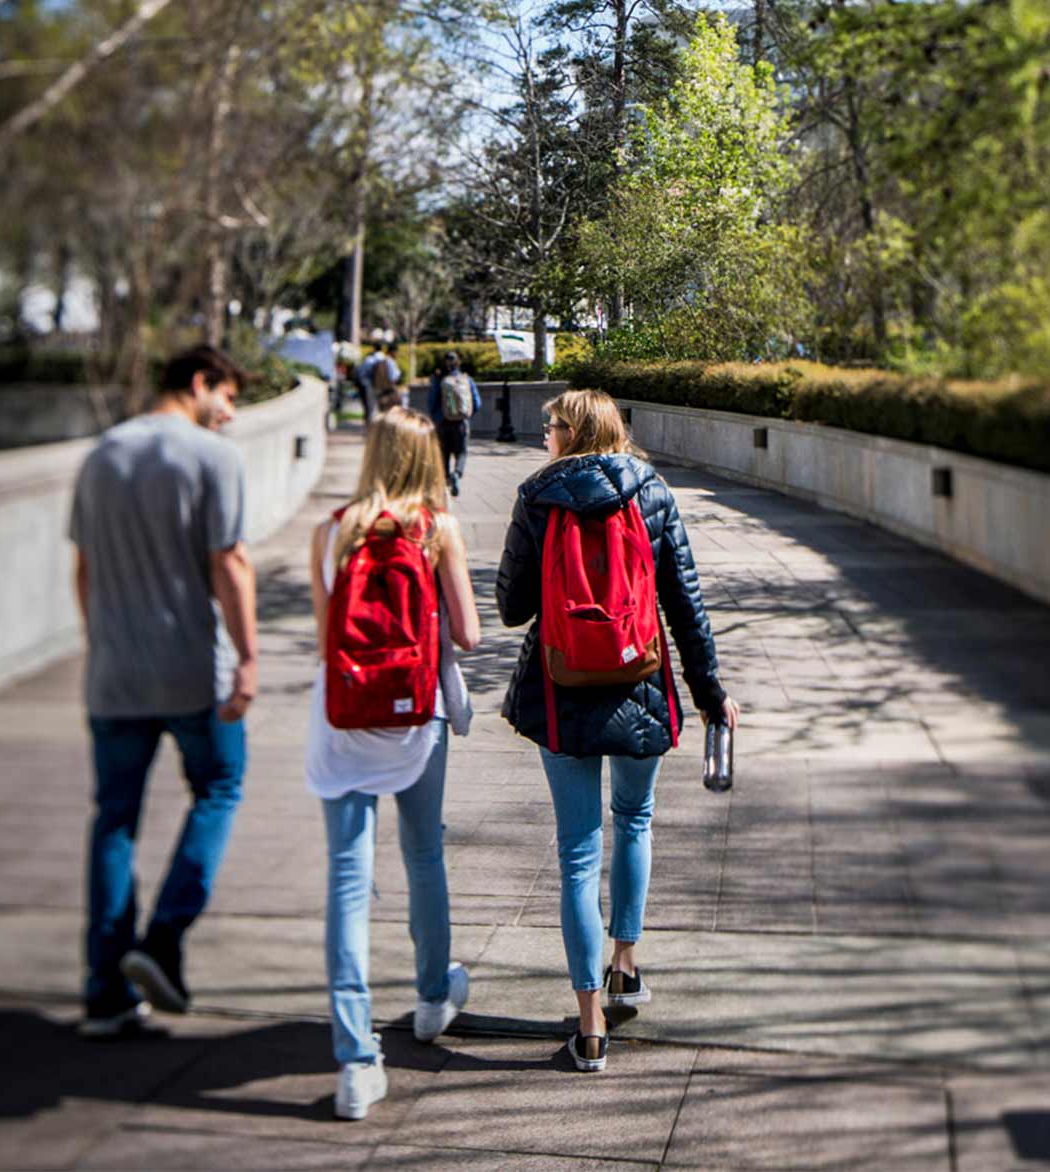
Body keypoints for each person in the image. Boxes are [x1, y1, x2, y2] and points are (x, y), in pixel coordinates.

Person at [496, 389, 737, 1072]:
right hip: (640, 684)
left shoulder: (537, 497)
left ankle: (590, 1025)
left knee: (577, 852)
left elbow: (513, 608)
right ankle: (625, 966)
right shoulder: (652, 492)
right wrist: (712, 695)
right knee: (634, 820)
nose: (544, 435)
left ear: (570, 433)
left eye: (550, 426)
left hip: (560, 689)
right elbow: (685, 603)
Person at [68, 344, 259, 1039]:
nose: (230, 414)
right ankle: (163, 940)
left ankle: (104, 990)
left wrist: (102, 644)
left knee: (114, 821)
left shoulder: (101, 454)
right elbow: (229, 563)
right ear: (201, 383)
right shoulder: (211, 457)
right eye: (229, 398)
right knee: (218, 788)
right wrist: (248, 659)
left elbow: (84, 569)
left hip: (114, 673)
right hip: (190, 670)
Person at [306, 408, 481, 1120]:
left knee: (349, 879)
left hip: (343, 725)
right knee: (423, 855)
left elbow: (325, 643)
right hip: (415, 726)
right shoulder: (437, 530)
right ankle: (434, 997)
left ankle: (354, 1062)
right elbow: (468, 634)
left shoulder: (333, 531)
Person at [423, 351, 483, 496]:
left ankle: (445, 481)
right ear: (459, 363)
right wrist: (466, 416)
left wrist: (437, 418)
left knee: (444, 453)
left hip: (443, 423)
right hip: (461, 423)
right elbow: (477, 403)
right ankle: (457, 473)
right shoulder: (467, 379)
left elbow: (432, 403)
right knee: (461, 452)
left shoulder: (439, 379)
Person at [360, 341, 402, 416]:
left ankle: (372, 425)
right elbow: (394, 376)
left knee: (372, 409)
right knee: (387, 410)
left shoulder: (370, 358)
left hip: (372, 386)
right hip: (386, 388)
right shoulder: (387, 359)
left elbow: (363, 373)